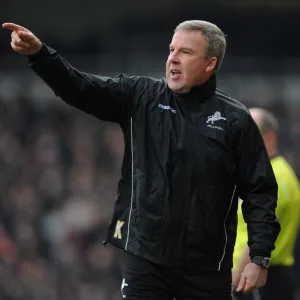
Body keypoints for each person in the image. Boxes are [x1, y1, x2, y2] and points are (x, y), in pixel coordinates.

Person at [2, 20, 281, 300]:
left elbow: (260, 192)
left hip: (206, 268)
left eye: (185, 52)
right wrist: (40, 55)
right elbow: (80, 87)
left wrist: (259, 257)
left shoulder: (235, 121)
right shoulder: (142, 97)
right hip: (145, 260)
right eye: (172, 49)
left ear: (210, 64)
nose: (173, 57)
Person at [232, 108, 300, 300]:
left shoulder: (276, 177)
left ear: (269, 137)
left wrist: (232, 287)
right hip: (251, 279)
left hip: (258, 280)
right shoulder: (265, 172)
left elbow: (262, 232)